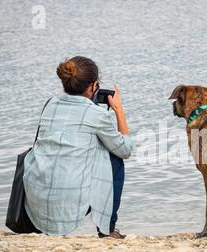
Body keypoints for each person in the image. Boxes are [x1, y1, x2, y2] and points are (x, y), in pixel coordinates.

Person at [23, 56, 132, 238]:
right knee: (114, 158)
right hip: (70, 205)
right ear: (93, 86)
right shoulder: (97, 114)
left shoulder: (50, 104)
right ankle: (108, 230)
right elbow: (125, 149)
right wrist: (119, 111)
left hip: (36, 204)